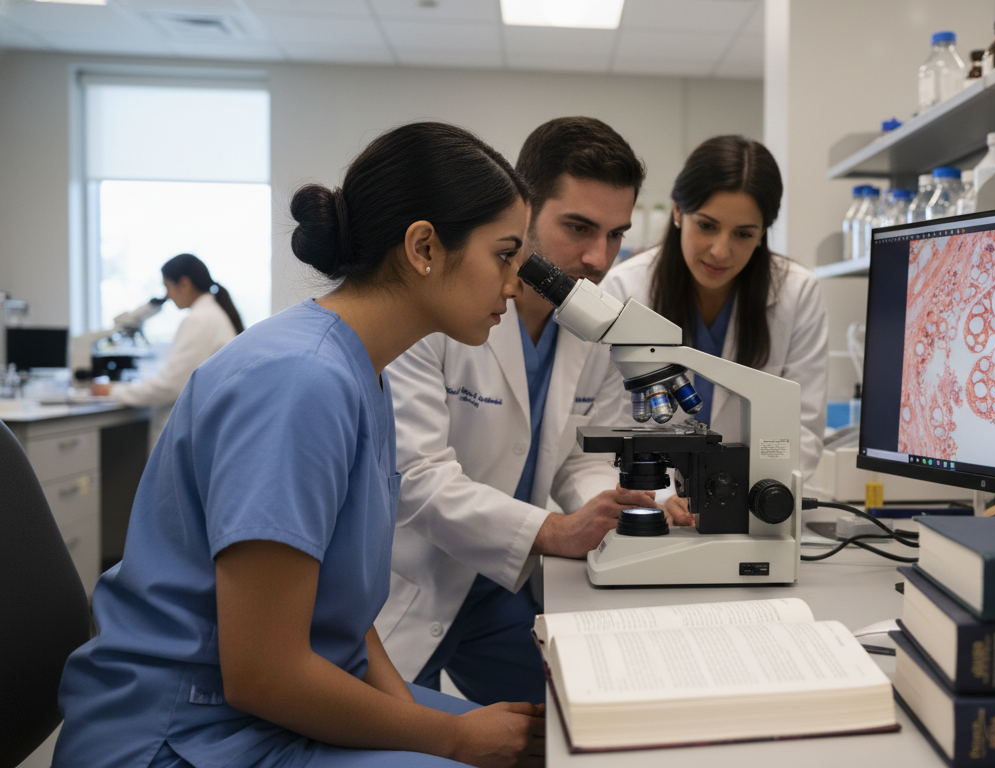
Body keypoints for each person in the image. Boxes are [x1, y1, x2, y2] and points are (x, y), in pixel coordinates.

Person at [55, 122, 545, 768]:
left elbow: (337, 608)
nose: (516, 283)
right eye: (505, 255)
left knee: (541, 746)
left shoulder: (360, 371)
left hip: (259, 708)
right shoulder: (301, 381)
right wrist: (447, 739)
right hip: (184, 733)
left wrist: (415, 722)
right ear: (424, 246)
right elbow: (263, 673)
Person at [375, 117, 651, 706]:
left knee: (571, 720)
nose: (598, 258)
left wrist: (615, 510)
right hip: (408, 581)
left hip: (499, 586)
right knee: (408, 741)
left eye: (616, 234)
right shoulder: (439, 310)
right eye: (578, 227)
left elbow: (580, 457)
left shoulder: (599, 323)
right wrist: (553, 529)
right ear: (524, 211)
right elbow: (417, 478)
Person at [600, 135, 828, 522]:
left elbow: (802, 430)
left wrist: (734, 494)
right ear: (677, 212)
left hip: (748, 511)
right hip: (656, 507)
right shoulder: (626, 291)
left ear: (762, 233)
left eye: (743, 234)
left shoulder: (797, 293)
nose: (721, 251)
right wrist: (663, 496)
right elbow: (612, 422)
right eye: (706, 226)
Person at [92, 254, 242, 445]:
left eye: (167, 287)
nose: (168, 296)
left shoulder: (198, 320)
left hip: (190, 431)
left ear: (185, 284)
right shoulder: (213, 314)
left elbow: (171, 385)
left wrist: (113, 391)